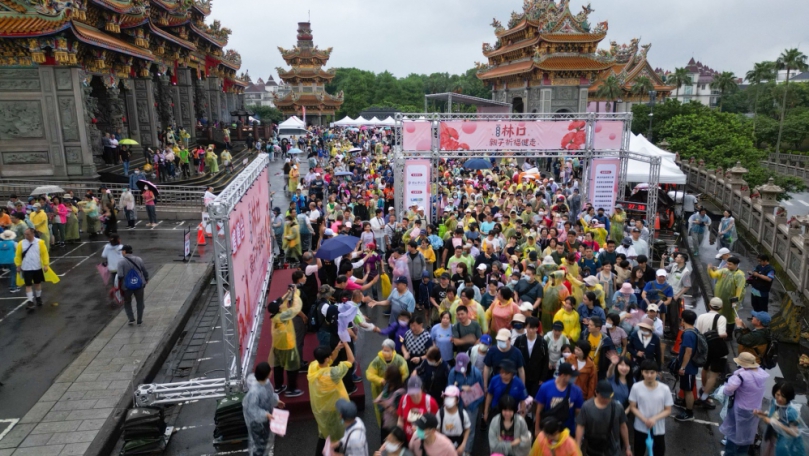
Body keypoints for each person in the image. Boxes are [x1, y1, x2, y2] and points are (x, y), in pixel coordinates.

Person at [720, 352, 769, 456]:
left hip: (740, 409)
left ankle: (729, 453)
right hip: (755, 410)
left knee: (733, 433)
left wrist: (724, 390)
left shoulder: (741, 375)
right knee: (747, 434)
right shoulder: (761, 373)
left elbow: (729, 390)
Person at [310, 342, 355, 456]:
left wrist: (337, 349)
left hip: (322, 409)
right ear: (326, 358)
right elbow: (351, 359)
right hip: (335, 410)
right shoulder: (334, 373)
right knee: (336, 437)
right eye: (329, 356)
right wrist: (345, 343)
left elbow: (329, 360)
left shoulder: (313, 368)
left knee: (324, 435)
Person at [628, 360, 672, 456]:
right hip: (640, 427)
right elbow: (632, 407)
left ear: (656, 373)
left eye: (652, 372)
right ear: (642, 372)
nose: (649, 375)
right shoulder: (636, 387)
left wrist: (654, 419)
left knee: (658, 453)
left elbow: (668, 410)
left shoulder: (665, 389)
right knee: (639, 452)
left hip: (658, 429)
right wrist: (644, 419)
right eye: (646, 372)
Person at [575, 380, 631, 456]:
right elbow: (580, 426)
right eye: (603, 397)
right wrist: (577, 447)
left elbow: (623, 426)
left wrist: (627, 447)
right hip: (593, 448)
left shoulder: (617, 407)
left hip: (613, 449)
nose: (606, 399)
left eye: (609, 397)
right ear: (596, 393)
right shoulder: (587, 407)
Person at [267, 282, 304, 398]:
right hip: (288, 345)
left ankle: (278, 386)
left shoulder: (275, 315)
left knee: (278, 366)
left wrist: (290, 292)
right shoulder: (283, 316)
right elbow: (296, 308)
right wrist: (296, 295)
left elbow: (281, 301)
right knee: (292, 367)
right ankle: (291, 389)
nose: (281, 304)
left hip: (277, 346)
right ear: (278, 309)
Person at [446, 353, 484, 456]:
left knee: (470, 430)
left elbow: (481, 392)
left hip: (472, 407)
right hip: (457, 406)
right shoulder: (453, 373)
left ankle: (467, 451)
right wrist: (461, 388)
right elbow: (448, 390)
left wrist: (473, 404)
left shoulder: (476, 374)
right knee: (456, 428)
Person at [242, 362, 283, 456]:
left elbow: (269, 396)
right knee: (259, 446)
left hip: (265, 420)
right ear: (267, 374)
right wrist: (266, 414)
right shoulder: (255, 392)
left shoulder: (266, 383)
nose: (272, 371)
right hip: (257, 424)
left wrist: (276, 401)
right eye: (270, 370)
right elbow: (252, 409)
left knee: (265, 442)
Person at [694, 297, 728, 409]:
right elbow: (722, 334)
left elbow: (697, 331)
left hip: (704, 346)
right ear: (721, 307)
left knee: (705, 368)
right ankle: (704, 397)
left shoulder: (701, 316)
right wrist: (726, 335)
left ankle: (703, 388)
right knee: (714, 374)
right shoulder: (721, 318)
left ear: (709, 305)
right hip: (716, 348)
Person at [755, 382, 806, 456]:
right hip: (771, 437)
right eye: (777, 394)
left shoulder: (791, 412)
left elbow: (795, 433)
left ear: (788, 397)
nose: (779, 398)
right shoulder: (775, 402)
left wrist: (778, 424)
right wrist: (763, 414)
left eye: (783, 396)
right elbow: (773, 415)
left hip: (783, 443)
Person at [367, 339, 409, 427]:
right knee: (380, 409)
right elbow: (369, 374)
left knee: (394, 407)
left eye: (387, 350)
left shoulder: (399, 360)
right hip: (379, 388)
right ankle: (382, 425)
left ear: (393, 350)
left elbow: (405, 373)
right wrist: (380, 381)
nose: (384, 352)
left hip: (394, 389)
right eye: (383, 350)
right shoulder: (377, 360)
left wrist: (394, 382)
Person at [534, 362, 584, 434]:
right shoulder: (545, 387)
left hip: (568, 432)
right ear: (563, 375)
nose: (575, 378)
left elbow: (578, 414)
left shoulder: (577, 391)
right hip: (548, 431)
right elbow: (539, 410)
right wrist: (537, 429)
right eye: (572, 376)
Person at [674, 309, 699, 421]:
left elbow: (688, 351)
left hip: (688, 367)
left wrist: (683, 367)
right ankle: (687, 407)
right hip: (691, 365)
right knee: (686, 388)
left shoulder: (688, 334)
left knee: (688, 390)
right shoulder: (694, 330)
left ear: (683, 320)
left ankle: (689, 413)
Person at [514, 316, 549, 396]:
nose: (531, 330)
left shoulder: (542, 342)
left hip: (536, 376)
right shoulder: (519, 340)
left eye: (533, 328)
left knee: (533, 398)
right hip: (521, 374)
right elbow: (515, 357)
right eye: (529, 328)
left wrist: (542, 378)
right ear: (526, 327)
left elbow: (545, 361)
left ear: (537, 329)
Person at [708, 257, 745, 331]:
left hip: (730, 300)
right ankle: (719, 330)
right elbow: (713, 275)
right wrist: (709, 269)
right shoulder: (724, 271)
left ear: (736, 265)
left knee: (730, 317)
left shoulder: (739, 275)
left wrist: (736, 299)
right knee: (720, 314)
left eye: (730, 264)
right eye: (727, 263)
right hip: (720, 298)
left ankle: (729, 334)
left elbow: (739, 288)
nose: (727, 265)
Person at [14, 228, 49, 309]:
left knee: (37, 283)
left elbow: (44, 254)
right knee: (28, 285)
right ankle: (30, 301)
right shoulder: (21, 243)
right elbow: (18, 255)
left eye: (28, 234)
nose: (26, 236)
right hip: (26, 267)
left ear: (33, 234)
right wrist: (18, 265)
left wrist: (46, 264)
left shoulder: (40, 242)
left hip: (37, 266)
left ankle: (38, 298)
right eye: (25, 234)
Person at [398, 376, 439, 442]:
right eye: (412, 392)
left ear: (421, 388)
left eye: (416, 391)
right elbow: (400, 420)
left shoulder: (430, 402)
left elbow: (436, 426)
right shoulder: (404, 399)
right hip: (407, 439)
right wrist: (398, 436)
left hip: (424, 440)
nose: (414, 395)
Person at [117, 245, 149, 324]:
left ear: (124, 251)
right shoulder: (139, 259)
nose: (121, 252)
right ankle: (139, 319)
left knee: (127, 302)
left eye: (122, 251)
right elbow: (144, 271)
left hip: (127, 286)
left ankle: (131, 318)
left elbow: (120, 275)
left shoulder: (121, 262)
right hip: (139, 285)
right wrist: (146, 278)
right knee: (140, 301)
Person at [435, 385, 470, 452]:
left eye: (451, 398)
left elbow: (467, 429)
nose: (448, 400)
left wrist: (463, 445)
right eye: (446, 397)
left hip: (458, 442)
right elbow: (437, 430)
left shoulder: (462, 413)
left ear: (457, 400)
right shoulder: (440, 413)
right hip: (444, 441)